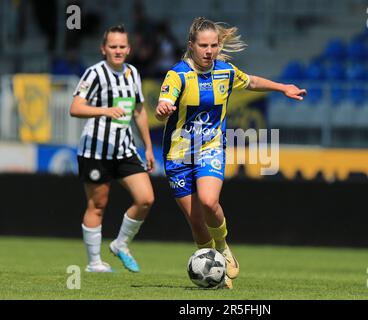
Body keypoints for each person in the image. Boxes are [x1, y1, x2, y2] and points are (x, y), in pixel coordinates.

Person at [155, 17, 306, 288]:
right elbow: (165, 100)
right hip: (178, 156)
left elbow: (252, 81)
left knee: (209, 201)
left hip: (210, 148)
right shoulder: (177, 75)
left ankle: (223, 248)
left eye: (213, 45)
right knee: (196, 221)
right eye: (203, 45)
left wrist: (283, 88)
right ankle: (216, 272)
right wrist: (162, 108)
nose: (209, 51)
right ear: (191, 45)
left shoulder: (225, 71)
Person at [70, 25, 155, 273]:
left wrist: (149, 148)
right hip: (95, 151)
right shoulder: (94, 74)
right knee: (98, 205)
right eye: (112, 47)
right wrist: (105, 110)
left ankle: (120, 244)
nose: (117, 51)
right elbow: (75, 108)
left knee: (146, 198)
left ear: (128, 49)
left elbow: (138, 111)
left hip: (124, 148)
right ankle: (94, 262)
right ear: (103, 49)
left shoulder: (133, 74)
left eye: (121, 47)